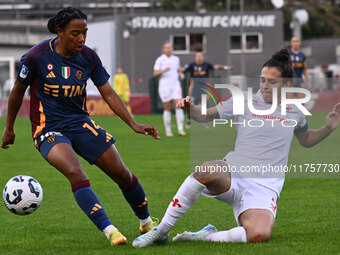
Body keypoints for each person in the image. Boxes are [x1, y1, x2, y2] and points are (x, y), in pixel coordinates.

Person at [132, 49, 340, 248]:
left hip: (265, 187)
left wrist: (328, 128)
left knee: (258, 235)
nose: (265, 85)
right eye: (262, 79)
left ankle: (206, 236)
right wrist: (191, 108)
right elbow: (203, 115)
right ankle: (162, 230)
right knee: (206, 170)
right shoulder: (243, 100)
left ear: (287, 84)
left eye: (272, 81)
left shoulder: (295, 111)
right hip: (234, 172)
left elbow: (306, 139)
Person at [1, 7, 160, 246]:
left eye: (84, 33)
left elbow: (108, 92)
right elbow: (17, 92)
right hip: (48, 129)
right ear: (60, 32)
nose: (82, 38)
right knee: (76, 172)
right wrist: (9, 128)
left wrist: (133, 124)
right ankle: (110, 231)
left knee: (122, 173)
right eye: (76, 33)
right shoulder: (37, 56)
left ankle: (147, 223)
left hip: (80, 123)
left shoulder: (88, 57)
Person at [181, 51, 234, 127]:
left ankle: (205, 122)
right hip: (195, 89)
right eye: (197, 56)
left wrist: (226, 68)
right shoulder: (191, 65)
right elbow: (182, 69)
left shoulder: (206, 65)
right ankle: (189, 121)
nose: (199, 57)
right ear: (195, 57)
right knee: (191, 106)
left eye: (200, 56)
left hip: (203, 89)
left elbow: (216, 67)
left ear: (202, 57)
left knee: (204, 106)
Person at [153, 42, 186, 137]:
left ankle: (181, 129)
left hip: (175, 85)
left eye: (170, 48)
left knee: (179, 105)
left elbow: (177, 70)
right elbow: (155, 74)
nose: (168, 49)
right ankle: (168, 130)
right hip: (165, 86)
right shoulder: (160, 60)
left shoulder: (176, 59)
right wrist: (163, 70)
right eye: (166, 48)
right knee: (167, 107)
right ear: (164, 50)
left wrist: (180, 74)